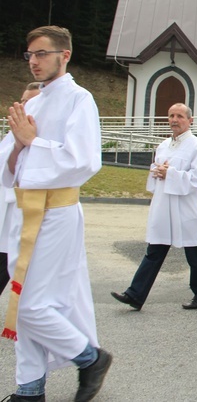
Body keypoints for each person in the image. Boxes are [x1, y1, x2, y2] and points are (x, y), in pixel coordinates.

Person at [1, 26, 111, 401]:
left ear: (65, 55)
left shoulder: (80, 100)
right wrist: (18, 147)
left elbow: (85, 161)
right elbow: (10, 165)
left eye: (42, 54)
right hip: (25, 209)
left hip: (57, 211)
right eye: (29, 55)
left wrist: (34, 142)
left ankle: (89, 357)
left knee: (31, 304)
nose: (34, 61)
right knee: (22, 299)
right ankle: (29, 388)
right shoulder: (31, 103)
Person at [111, 103, 197, 311]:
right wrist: (157, 171)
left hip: (184, 207)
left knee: (194, 253)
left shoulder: (196, 146)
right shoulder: (164, 145)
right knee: (154, 250)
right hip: (164, 205)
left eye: (179, 116)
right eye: (171, 116)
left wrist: (171, 174)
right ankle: (135, 294)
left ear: (190, 120)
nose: (174, 120)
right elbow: (157, 170)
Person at [1, 85, 42, 297]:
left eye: (30, 102)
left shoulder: (39, 138)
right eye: (23, 100)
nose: (23, 106)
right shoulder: (10, 135)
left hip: (18, 218)